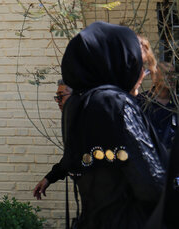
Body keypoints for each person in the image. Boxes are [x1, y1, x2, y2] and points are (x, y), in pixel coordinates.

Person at [60, 21, 167, 228]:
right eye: (138, 65)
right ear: (120, 63)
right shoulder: (115, 103)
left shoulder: (75, 104)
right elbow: (151, 184)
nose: (141, 76)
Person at [32, 79, 72, 200]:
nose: (58, 101)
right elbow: (70, 157)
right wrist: (49, 178)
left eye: (61, 96)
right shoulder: (70, 121)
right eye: (57, 97)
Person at [138, 60, 177, 153]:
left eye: (173, 74)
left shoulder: (176, 104)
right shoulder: (141, 101)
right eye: (167, 74)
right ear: (155, 77)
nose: (171, 78)